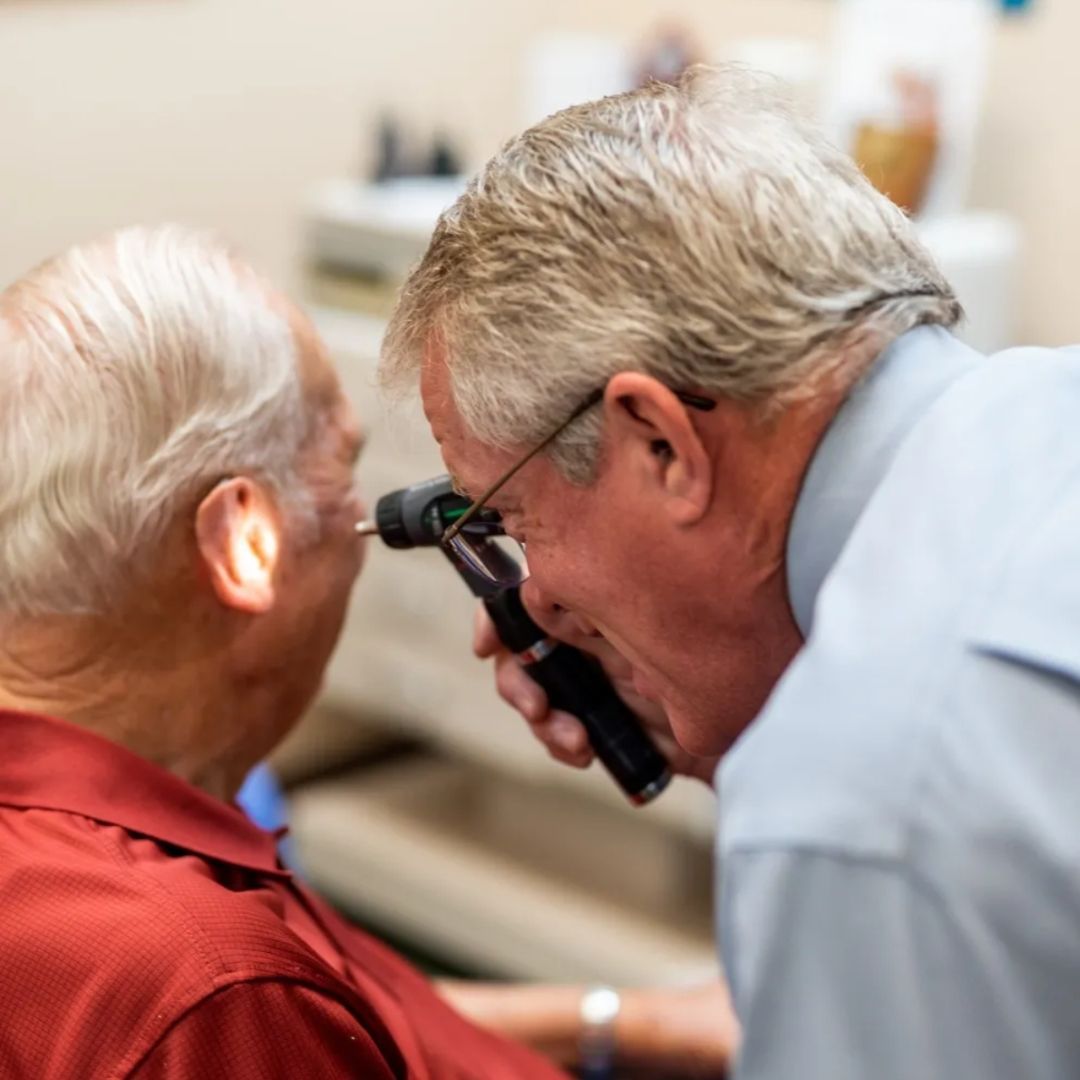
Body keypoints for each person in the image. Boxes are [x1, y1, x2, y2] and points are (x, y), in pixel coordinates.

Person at [380, 63, 1080, 1080]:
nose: (532, 599)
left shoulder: (863, 795)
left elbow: (876, 802)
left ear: (661, 444)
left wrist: (797, 807)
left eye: (516, 521)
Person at [0, 226, 734, 1078]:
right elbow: (256, 1004)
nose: (365, 518)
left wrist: (626, 1022)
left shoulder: (124, 862)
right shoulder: (212, 985)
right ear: (244, 543)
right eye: (341, 468)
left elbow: (355, 1009)